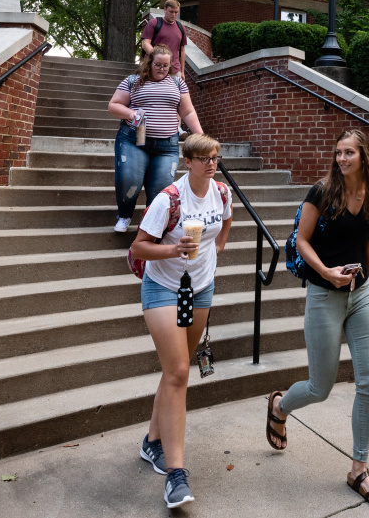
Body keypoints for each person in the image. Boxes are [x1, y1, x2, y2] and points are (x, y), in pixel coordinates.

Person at [264, 129, 369, 509]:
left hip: (360, 294)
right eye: (338, 152)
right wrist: (328, 272)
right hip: (323, 294)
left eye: (349, 152)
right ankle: (279, 407)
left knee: (368, 380)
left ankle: (358, 469)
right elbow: (301, 240)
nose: (342, 159)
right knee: (321, 386)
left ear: (362, 156)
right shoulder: (321, 192)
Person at [128, 133, 233, 510]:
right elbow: (138, 246)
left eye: (215, 157)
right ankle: (176, 475)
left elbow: (225, 223)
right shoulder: (168, 199)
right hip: (162, 288)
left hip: (199, 289)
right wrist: (173, 249)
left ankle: (151, 442)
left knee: (176, 370)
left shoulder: (221, 193)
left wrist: (216, 248)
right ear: (187, 161)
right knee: (178, 372)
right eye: (203, 157)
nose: (211, 163)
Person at [107, 45, 203, 233]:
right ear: (149, 63)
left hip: (166, 146)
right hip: (134, 141)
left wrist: (200, 136)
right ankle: (125, 216)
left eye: (166, 66)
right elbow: (113, 105)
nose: (161, 69)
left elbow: (188, 111)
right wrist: (131, 113)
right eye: (158, 65)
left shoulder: (177, 84)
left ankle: (149, 226)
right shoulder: (133, 81)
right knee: (129, 181)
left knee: (160, 190)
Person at [141, 0, 189, 77]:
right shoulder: (154, 23)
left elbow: (182, 50)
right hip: (154, 68)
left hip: (174, 70)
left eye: (176, 12)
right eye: (171, 12)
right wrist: (158, 58)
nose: (173, 14)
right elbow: (145, 43)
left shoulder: (181, 28)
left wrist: (182, 71)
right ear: (165, 10)